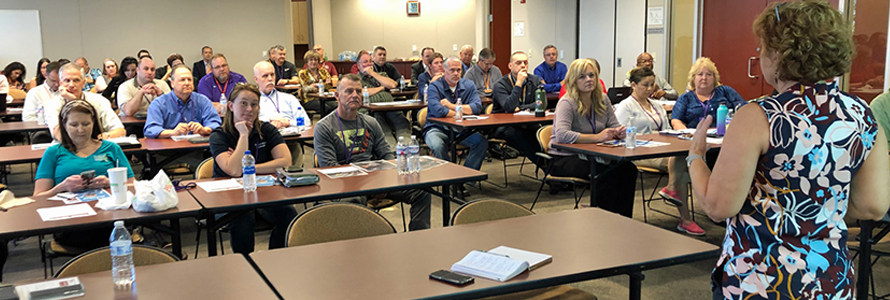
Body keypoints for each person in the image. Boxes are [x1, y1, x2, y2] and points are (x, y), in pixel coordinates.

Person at [695, 2, 890, 298]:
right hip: (829, 278)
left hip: (762, 279)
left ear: (779, 53)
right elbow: (873, 206)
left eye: (763, 47)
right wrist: (818, 209)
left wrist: (696, 157)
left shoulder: (759, 116)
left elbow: (719, 207)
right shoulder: (863, 115)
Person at [315, 74, 431, 230]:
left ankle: (419, 237)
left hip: (376, 180)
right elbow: (331, 168)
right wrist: (370, 184)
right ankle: (361, 245)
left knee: (422, 192)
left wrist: (383, 182)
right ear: (337, 96)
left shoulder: (370, 122)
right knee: (354, 201)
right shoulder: (324, 127)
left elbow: (387, 156)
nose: (355, 95)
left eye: (358, 91)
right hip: (345, 185)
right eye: (349, 91)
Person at [33, 100, 135, 249]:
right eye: (74, 125)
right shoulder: (53, 153)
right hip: (70, 221)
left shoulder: (111, 148)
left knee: (110, 232)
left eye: (86, 124)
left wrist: (109, 182)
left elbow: (134, 186)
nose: (81, 130)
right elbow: (38, 197)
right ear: (64, 126)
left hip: (110, 217)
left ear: (94, 123)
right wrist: (62, 186)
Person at [615, 67, 703, 235]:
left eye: (652, 85)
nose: (650, 89)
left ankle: (673, 190)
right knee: (681, 165)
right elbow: (621, 136)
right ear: (633, 85)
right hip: (639, 153)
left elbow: (667, 129)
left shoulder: (656, 105)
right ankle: (686, 218)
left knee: (681, 164)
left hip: (662, 149)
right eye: (645, 85)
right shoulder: (625, 107)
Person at [209, 83, 295, 255]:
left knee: (289, 215)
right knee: (243, 220)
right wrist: (243, 135)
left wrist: (249, 167)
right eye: (244, 103)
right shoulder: (219, 135)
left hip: (262, 191)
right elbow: (233, 171)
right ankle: (246, 264)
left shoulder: (266, 130)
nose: (249, 109)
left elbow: (285, 161)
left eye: (254, 104)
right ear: (231, 106)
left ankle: (274, 257)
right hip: (229, 196)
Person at [549, 58, 637, 218]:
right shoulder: (567, 102)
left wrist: (619, 131)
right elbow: (562, 135)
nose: (588, 80)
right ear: (573, 80)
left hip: (594, 152)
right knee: (604, 172)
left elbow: (613, 124)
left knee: (628, 169)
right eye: (582, 76)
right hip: (565, 157)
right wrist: (596, 137)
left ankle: (624, 218)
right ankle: (603, 218)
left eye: (591, 75)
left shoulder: (602, 99)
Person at [424, 56, 488, 196]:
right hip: (436, 128)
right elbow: (438, 111)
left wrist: (450, 106)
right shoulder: (435, 86)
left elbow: (477, 107)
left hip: (460, 129)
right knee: (437, 145)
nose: (456, 73)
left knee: (481, 142)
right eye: (452, 70)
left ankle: (463, 179)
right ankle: (450, 181)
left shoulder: (468, 85)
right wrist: (462, 111)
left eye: (458, 70)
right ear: (444, 70)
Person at [491, 51, 544, 167]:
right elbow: (509, 107)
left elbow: (541, 103)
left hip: (527, 122)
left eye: (525, 62)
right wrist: (518, 83)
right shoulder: (500, 84)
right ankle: (547, 168)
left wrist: (520, 108)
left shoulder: (534, 80)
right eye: (518, 63)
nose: (523, 66)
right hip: (504, 125)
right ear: (510, 66)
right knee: (522, 137)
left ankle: (553, 168)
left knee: (541, 134)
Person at [46, 63, 125, 141]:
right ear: (60, 83)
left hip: (96, 148)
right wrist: (73, 101)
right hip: (67, 150)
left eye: (76, 80)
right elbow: (58, 135)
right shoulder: (53, 104)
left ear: (84, 83)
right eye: (67, 81)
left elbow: (120, 131)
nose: (71, 85)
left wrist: (100, 138)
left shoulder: (99, 101)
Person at [144, 65, 221, 139]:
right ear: (172, 84)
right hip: (168, 149)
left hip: (197, 148)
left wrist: (204, 129)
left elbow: (216, 123)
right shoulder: (159, 103)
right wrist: (172, 132)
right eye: (182, 80)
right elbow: (150, 129)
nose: (187, 83)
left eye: (189, 79)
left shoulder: (202, 100)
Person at [255, 61, 308, 166]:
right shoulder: (254, 101)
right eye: (265, 76)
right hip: (265, 142)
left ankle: (293, 177)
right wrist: (270, 122)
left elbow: (305, 121)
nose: (270, 79)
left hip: (290, 140)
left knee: (295, 149)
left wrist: (288, 122)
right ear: (256, 79)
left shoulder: (289, 98)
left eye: (272, 75)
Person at [671, 57, 746, 129]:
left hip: (725, 137)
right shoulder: (685, 98)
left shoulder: (726, 92)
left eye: (709, 74)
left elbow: (744, 109)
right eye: (700, 74)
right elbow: (676, 121)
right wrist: (688, 134)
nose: (704, 78)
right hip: (694, 138)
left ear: (714, 78)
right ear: (693, 78)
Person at [355, 52, 412, 146]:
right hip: (371, 112)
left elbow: (392, 85)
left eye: (370, 61)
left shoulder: (382, 75)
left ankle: (405, 148)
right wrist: (381, 88)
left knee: (402, 121)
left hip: (391, 109)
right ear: (358, 65)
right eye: (365, 62)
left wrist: (372, 73)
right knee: (381, 125)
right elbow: (360, 92)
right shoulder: (356, 79)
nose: (369, 64)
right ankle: (392, 152)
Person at [23, 61, 62, 143]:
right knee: (42, 136)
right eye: (53, 80)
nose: (57, 84)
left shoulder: (66, 92)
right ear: (46, 76)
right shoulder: (34, 93)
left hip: (64, 129)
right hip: (42, 130)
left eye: (59, 81)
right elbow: (28, 119)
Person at [298, 50, 338, 117]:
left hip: (324, 97)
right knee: (326, 108)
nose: (313, 62)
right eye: (311, 60)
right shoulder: (303, 73)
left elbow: (329, 85)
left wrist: (314, 85)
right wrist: (322, 85)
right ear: (307, 62)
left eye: (316, 60)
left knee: (336, 106)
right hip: (309, 100)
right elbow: (305, 88)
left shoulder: (323, 71)